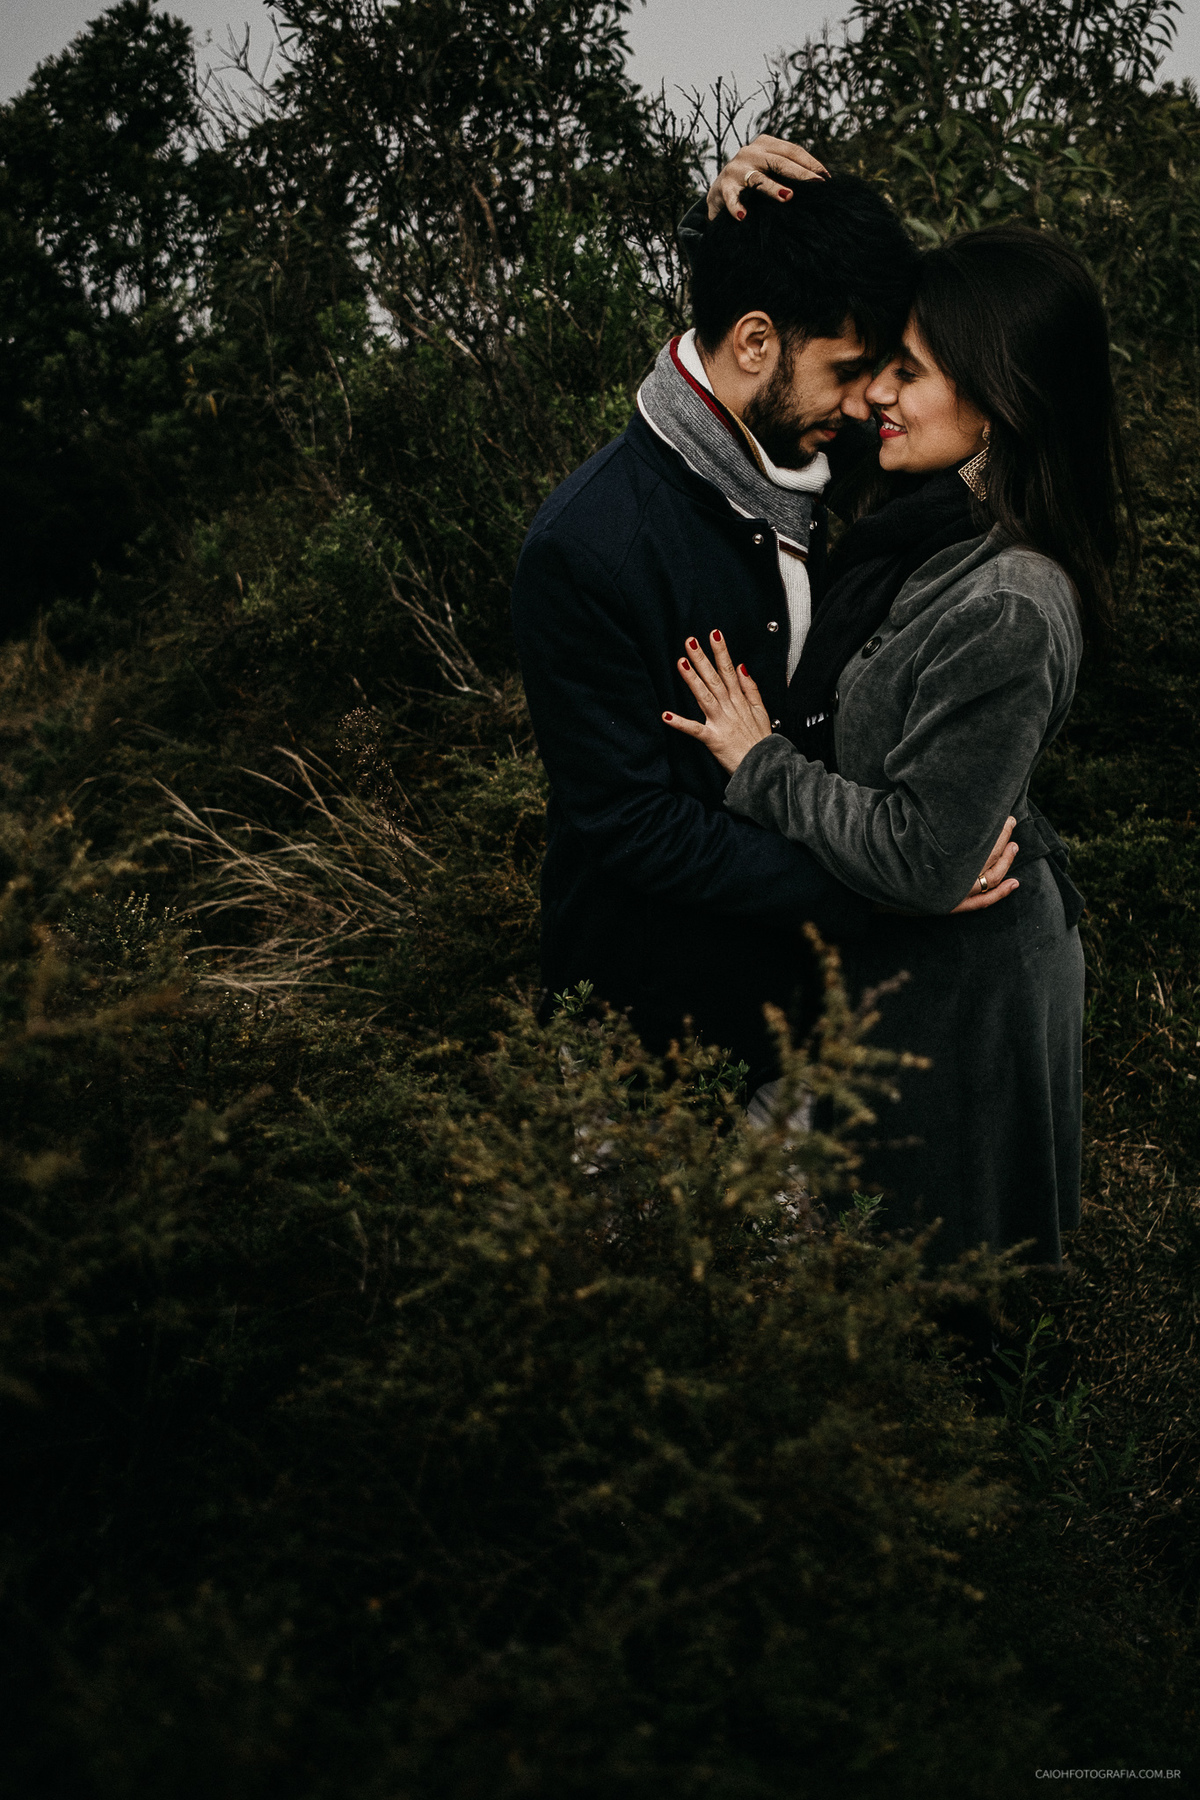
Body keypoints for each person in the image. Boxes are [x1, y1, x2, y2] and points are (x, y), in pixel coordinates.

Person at [510, 143, 1017, 1118]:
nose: (870, 401)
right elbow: (636, 826)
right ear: (753, 344)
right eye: (846, 370)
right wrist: (887, 884)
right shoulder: (587, 548)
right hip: (641, 1037)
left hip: (796, 1018)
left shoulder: (813, 460)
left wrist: (723, 232)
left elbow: (968, 392)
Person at [664, 222, 1133, 1264]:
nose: (875, 392)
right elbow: (747, 384)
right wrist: (742, 213)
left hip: (968, 995)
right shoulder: (921, 534)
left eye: (906, 372)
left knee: (950, 1302)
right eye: (878, 365)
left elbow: (927, 857)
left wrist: (761, 765)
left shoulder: (1008, 597)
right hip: (902, 970)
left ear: (999, 393)